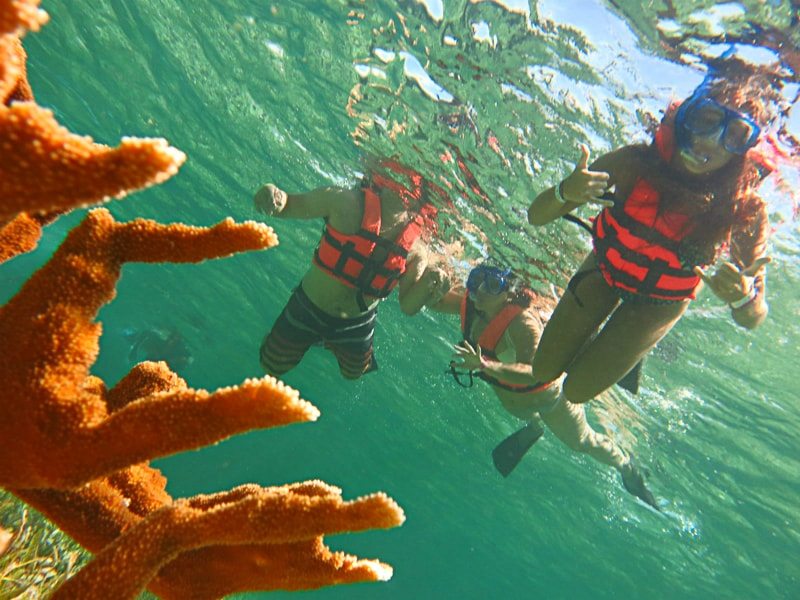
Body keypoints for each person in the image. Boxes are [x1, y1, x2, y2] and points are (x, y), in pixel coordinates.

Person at [527, 57, 773, 409]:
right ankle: (601, 340)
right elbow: (537, 216)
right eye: (707, 120)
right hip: (604, 270)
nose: (712, 143)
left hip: (658, 305)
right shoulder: (631, 164)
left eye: (734, 136)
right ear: (685, 117)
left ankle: (620, 346)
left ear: (744, 151)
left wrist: (743, 297)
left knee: (576, 393)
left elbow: (753, 318)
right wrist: (566, 191)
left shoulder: (743, 209)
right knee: (542, 369)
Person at [433, 263, 658, 508]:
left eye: (493, 285)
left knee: (581, 442)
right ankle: (535, 425)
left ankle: (626, 465)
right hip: (515, 403)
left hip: (550, 400)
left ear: (509, 293)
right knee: (526, 413)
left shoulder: (523, 324)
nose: (482, 291)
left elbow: (535, 372)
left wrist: (486, 366)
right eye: (476, 281)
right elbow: (434, 302)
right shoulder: (471, 307)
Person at [254, 161, 447, 379]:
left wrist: (432, 282)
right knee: (271, 366)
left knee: (353, 373)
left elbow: (408, 305)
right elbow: (288, 204)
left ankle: (326, 343)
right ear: (383, 177)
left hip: (357, 323)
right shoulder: (345, 202)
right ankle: (295, 340)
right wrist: (269, 195)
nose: (406, 192)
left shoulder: (418, 249)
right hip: (310, 307)